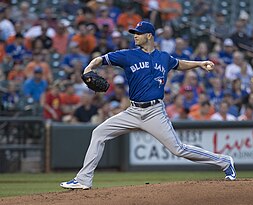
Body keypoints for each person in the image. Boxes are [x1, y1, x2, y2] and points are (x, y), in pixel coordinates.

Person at [60, 21, 236, 190]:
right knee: (99, 133)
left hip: (154, 112)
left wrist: (199, 64)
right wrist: (88, 68)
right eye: (134, 33)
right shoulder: (128, 55)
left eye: (138, 33)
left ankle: (224, 161)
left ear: (149, 36)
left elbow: (179, 64)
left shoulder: (163, 57)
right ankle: (83, 180)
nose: (135, 36)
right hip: (133, 111)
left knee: (178, 149)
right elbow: (100, 59)